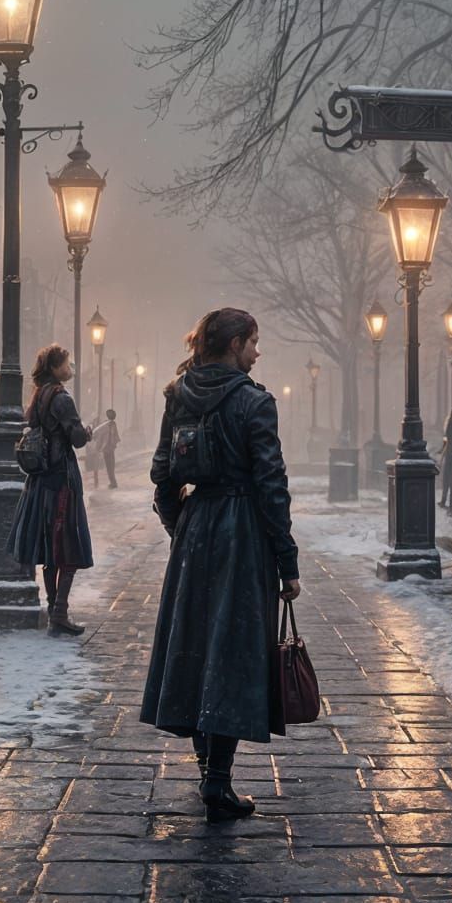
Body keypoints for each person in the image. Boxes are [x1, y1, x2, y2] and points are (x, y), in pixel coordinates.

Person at [141, 307, 299, 824]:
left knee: (192, 644)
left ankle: (207, 767)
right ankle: (218, 782)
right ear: (234, 345)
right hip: (243, 531)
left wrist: (180, 527)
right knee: (232, 650)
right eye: (254, 343)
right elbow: (271, 486)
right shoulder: (254, 402)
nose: (257, 353)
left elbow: (162, 474)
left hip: (197, 525)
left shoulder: (177, 396)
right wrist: (286, 558)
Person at [7, 343, 94, 636]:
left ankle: (52, 605)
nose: (70, 369)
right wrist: (88, 431)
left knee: (48, 546)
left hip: (40, 480)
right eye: (67, 364)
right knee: (67, 547)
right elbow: (77, 439)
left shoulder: (38, 394)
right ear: (56, 368)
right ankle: (60, 612)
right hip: (61, 481)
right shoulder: (61, 398)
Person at [101, 407, 121, 489]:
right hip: (108, 448)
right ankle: (113, 482)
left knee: (110, 466)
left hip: (108, 448)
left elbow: (113, 436)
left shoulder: (110, 424)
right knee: (110, 466)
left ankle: (113, 482)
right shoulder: (110, 424)